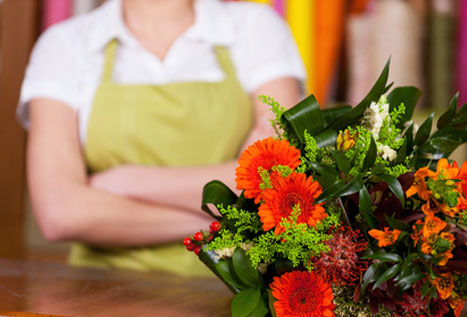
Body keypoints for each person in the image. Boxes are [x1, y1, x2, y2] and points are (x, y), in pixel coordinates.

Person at [18, 0, 305, 276]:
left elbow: (277, 174)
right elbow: (59, 213)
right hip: (99, 291)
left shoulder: (256, 27)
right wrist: (229, 220)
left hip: (235, 289)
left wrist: (129, 182)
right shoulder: (64, 45)